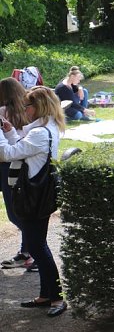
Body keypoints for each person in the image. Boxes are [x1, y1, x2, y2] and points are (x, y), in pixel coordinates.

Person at [0, 86, 67, 317]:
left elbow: (7, 154)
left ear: (37, 107)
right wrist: (9, 132)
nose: (25, 110)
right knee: (39, 246)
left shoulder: (39, 133)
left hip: (33, 198)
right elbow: (22, 147)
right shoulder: (47, 128)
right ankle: (46, 295)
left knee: (39, 248)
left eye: (27, 106)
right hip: (40, 196)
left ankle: (57, 297)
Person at [0, 77, 34, 271]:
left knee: (14, 212)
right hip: (22, 163)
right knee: (18, 208)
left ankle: (31, 249)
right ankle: (27, 250)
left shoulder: (3, 112)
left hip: (7, 164)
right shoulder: (28, 111)